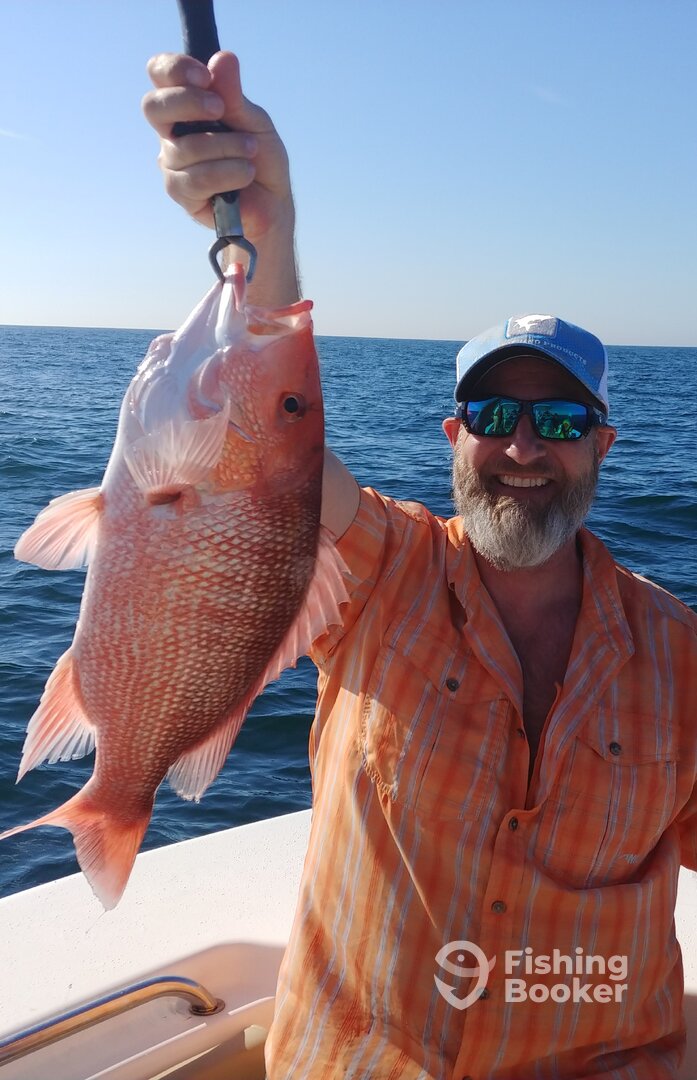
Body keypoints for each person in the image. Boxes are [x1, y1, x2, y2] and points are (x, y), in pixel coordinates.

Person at [142, 52, 697, 1080]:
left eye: (560, 419)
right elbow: (270, 450)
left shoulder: (681, 653)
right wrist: (269, 229)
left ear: (602, 447)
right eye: (492, 416)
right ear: (452, 436)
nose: (522, 448)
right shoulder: (378, 572)